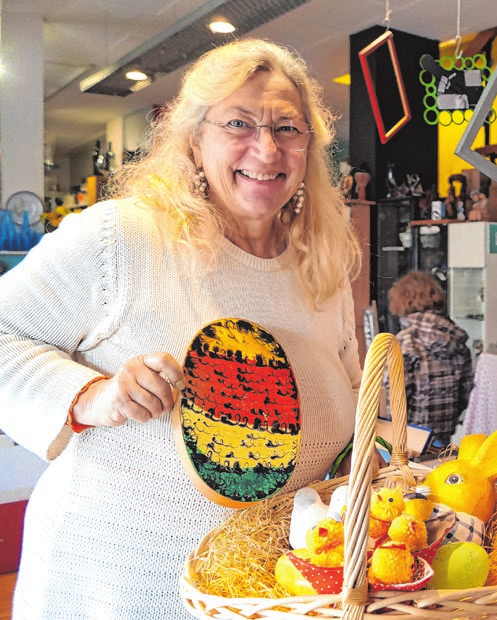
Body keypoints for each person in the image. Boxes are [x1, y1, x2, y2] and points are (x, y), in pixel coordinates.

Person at [0, 39, 363, 619]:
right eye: (239, 123)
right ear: (194, 141)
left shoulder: (320, 262)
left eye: (288, 128)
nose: (266, 148)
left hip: (264, 588)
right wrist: (91, 397)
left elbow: (347, 389)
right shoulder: (124, 239)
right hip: (118, 585)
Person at [387, 271, 474, 448]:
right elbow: (466, 389)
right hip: (444, 428)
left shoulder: (406, 340)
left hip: (410, 433)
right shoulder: (455, 338)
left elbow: (394, 392)